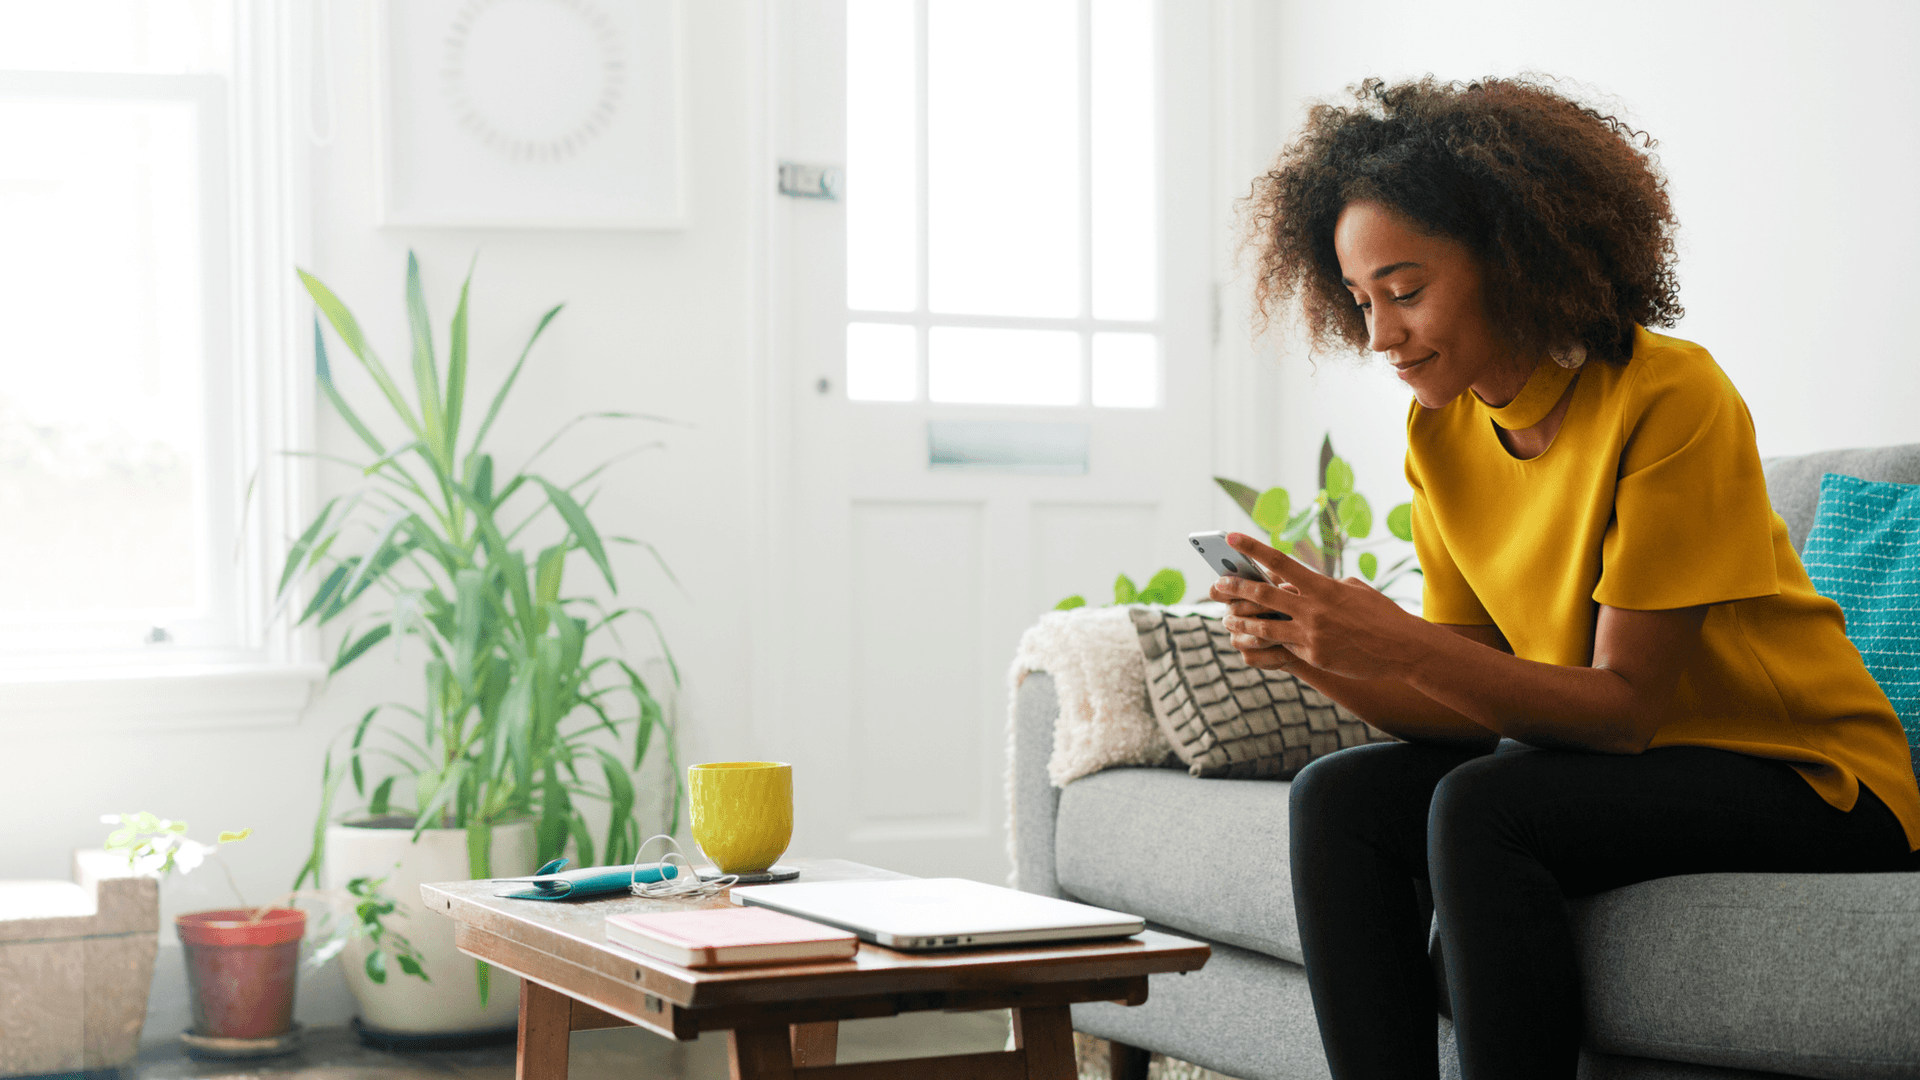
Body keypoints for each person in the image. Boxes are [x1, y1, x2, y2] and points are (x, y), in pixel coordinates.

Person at [1212, 76, 1920, 1080]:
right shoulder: (1442, 428)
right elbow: (1470, 697)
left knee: (1482, 805)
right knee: (1339, 798)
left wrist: (1391, 637)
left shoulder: (1671, 396)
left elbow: (1623, 711)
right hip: (1634, 766)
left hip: (1813, 780)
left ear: (1511, 258)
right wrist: (1320, 653)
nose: (1379, 336)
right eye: (1362, 301)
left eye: (1406, 292)